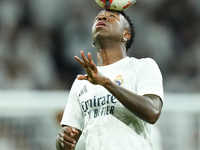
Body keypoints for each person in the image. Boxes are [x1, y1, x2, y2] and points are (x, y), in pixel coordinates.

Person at [56, 9, 164, 150]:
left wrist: (107, 83)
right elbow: (66, 144)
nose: (102, 18)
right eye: (98, 17)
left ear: (126, 34)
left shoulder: (142, 66)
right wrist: (62, 139)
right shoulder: (82, 82)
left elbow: (153, 112)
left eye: (111, 17)